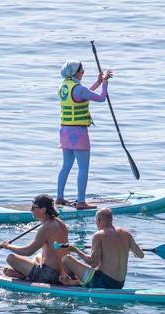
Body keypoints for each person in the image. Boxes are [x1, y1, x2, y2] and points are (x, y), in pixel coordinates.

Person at [56, 60, 114, 209]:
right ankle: (81, 201)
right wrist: (105, 83)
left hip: (64, 131)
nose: (83, 72)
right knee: (83, 167)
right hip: (78, 132)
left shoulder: (64, 86)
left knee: (66, 165)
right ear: (75, 73)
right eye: (82, 70)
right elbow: (100, 98)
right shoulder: (78, 89)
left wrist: (98, 82)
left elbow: (84, 94)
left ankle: (60, 198)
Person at [59, 208, 144, 289]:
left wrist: (76, 250)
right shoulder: (126, 234)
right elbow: (140, 255)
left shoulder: (99, 235)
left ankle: (76, 284)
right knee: (97, 270)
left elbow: (93, 263)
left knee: (66, 259)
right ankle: (77, 282)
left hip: (103, 283)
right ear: (111, 219)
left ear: (99, 220)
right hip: (119, 284)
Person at [0, 194, 68, 284]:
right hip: (63, 271)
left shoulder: (46, 228)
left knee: (11, 258)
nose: (31, 210)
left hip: (49, 275)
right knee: (38, 256)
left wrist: (8, 246)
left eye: (33, 208)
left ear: (43, 210)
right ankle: (24, 274)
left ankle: (24, 275)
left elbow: (27, 252)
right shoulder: (60, 223)